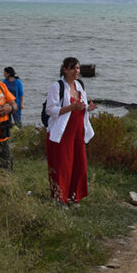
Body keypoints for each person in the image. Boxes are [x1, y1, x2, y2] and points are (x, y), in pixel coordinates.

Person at [44, 57, 98, 205]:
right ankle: (59, 199)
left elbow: (82, 106)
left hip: (78, 130)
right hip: (62, 133)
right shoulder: (57, 87)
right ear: (65, 70)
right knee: (62, 166)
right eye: (73, 68)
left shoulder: (80, 85)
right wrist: (70, 108)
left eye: (78, 68)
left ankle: (74, 197)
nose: (77, 71)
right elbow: (50, 109)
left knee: (79, 164)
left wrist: (88, 108)